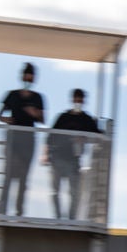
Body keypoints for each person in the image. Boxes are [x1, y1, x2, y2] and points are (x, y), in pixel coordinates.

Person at [0, 63, 45, 218]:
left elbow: (43, 120)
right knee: (8, 175)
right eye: (26, 75)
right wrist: (6, 119)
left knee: (24, 178)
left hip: (28, 140)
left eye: (31, 76)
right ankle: (1, 210)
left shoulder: (38, 98)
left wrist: (35, 113)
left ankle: (19, 212)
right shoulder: (12, 95)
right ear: (22, 76)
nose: (28, 78)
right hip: (13, 138)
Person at [44, 89, 100, 221]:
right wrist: (46, 154)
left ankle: (71, 218)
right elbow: (50, 137)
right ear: (72, 99)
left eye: (80, 99)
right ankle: (57, 217)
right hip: (57, 157)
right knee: (55, 191)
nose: (78, 102)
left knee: (74, 192)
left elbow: (98, 137)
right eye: (76, 99)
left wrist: (84, 138)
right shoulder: (63, 117)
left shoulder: (86, 119)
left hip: (74, 160)